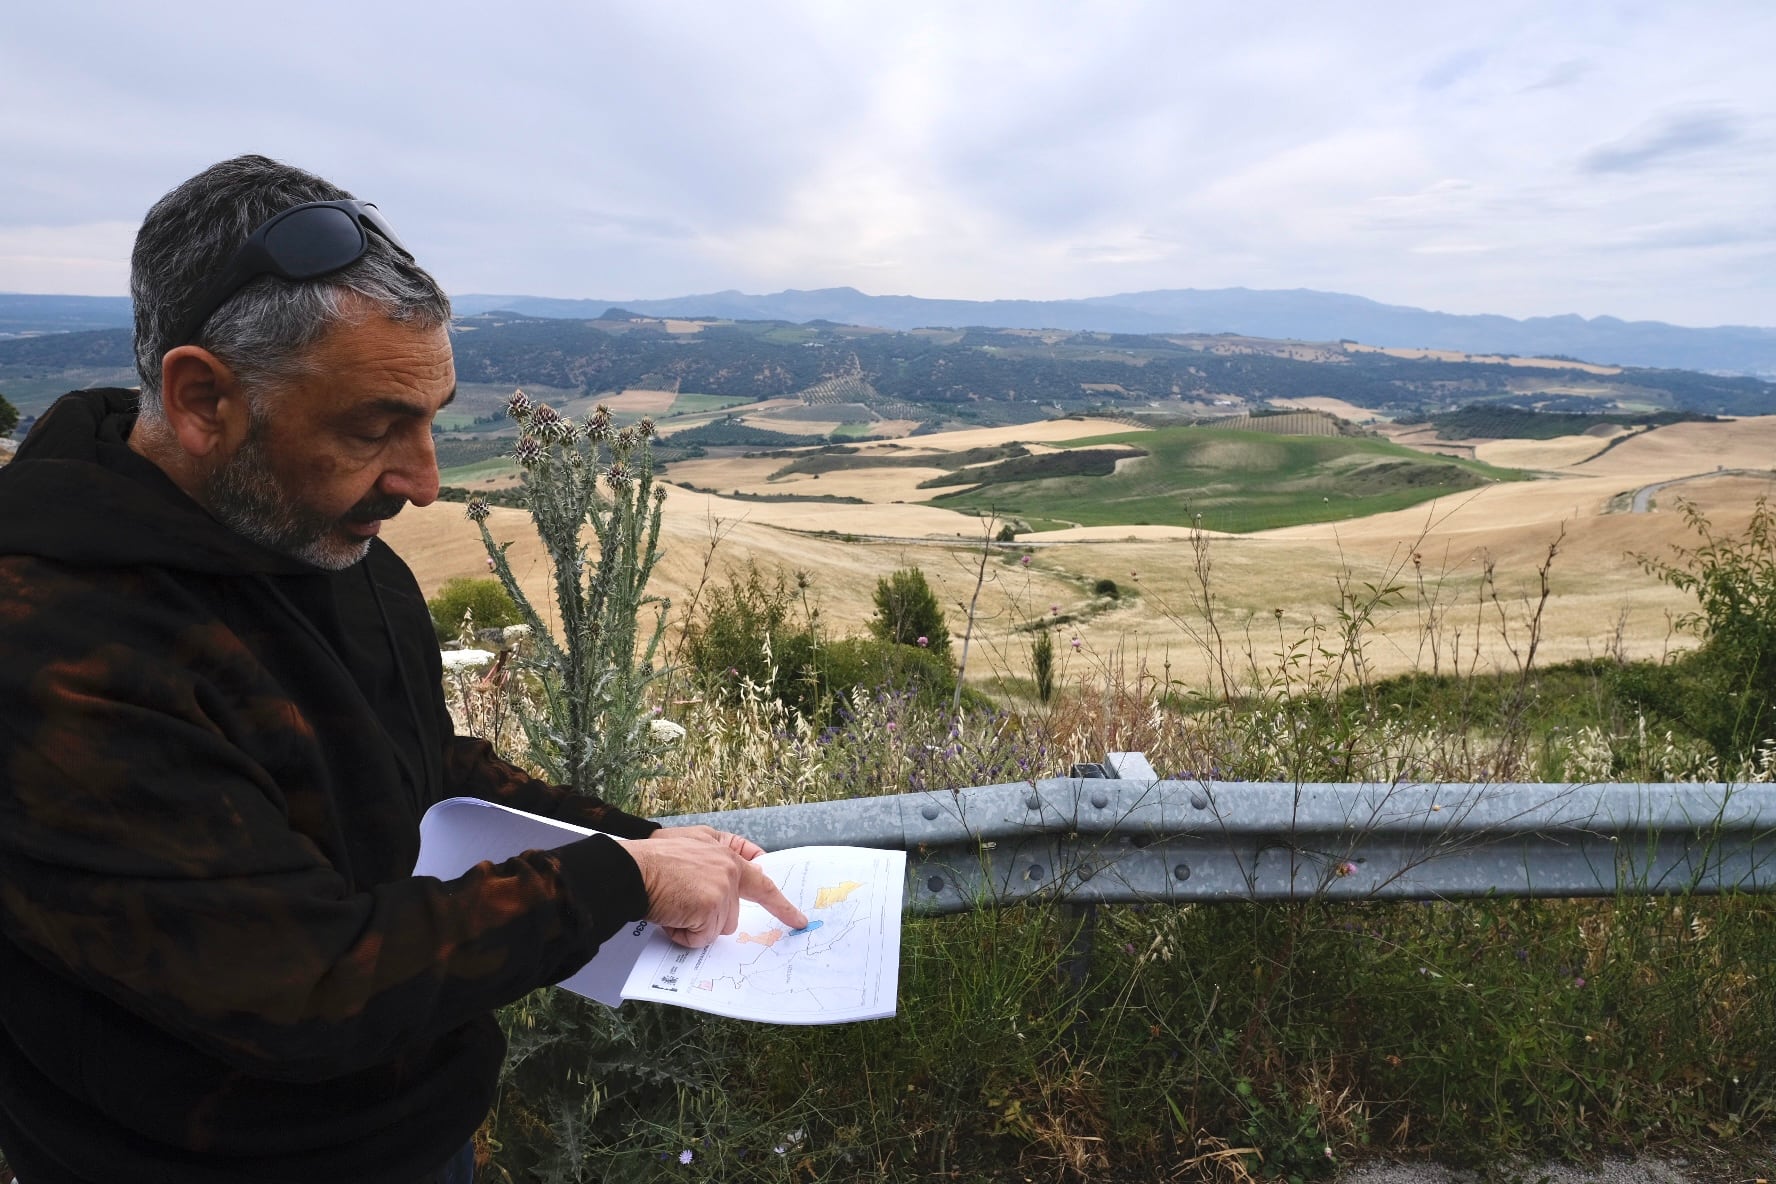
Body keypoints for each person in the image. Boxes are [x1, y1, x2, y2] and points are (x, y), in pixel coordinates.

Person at [0, 155, 805, 1184]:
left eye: (433, 419)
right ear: (203, 398)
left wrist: (641, 839)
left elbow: (417, 763)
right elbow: (298, 981)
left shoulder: (318, 539)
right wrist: (619, 877)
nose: (424, 481)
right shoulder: (52, 640)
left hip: (412, 1140)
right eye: (376, 425)